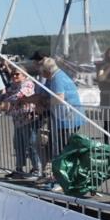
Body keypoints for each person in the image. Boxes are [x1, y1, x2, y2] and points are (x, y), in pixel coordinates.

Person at [39, 57, 85, 189]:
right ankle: (60, 178)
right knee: (60, 149)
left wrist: (46, 103)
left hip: (67, 119)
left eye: (42, 71)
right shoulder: (54, 77)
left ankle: (62, 181)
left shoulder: (57, 78)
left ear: (47, 70)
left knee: (62, 150)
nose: (41, 74)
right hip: (64, 119)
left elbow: (59, 98)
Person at [0, 69, 42, 179]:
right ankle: (19, 170)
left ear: (24, 75)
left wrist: (4, 103)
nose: (14, 76)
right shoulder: (12, 86)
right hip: (17, 120)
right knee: (18, 145)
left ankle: (37, 170)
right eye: (12, 74)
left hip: (28, 119)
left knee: (31, 145)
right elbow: (5, 95)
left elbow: (18, 96)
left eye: (17, 74)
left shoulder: (28, 84)